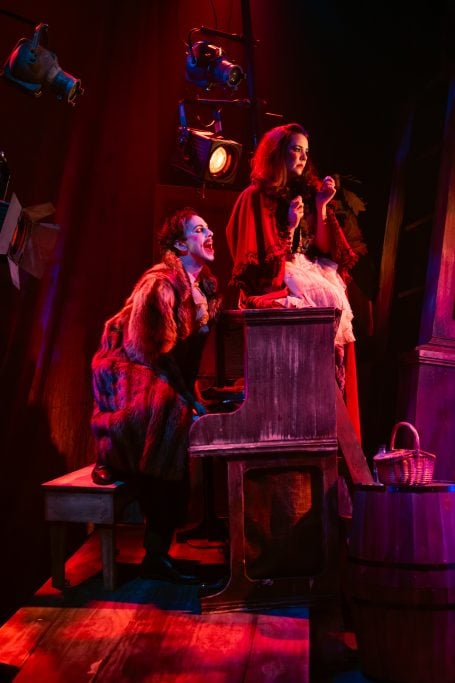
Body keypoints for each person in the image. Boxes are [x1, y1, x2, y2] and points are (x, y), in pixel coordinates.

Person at [89, 207, 222, 583]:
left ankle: (161, 545)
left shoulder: (205, 289)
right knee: (166, 415)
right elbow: (145, 350)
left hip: (162, 373)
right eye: (199, 230)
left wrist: (193, 397)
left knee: (180, 414)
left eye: (208, 228)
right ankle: (155, 550)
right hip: (127, 374)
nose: (210, 234)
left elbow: (183, 359)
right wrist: (183, 399)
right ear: (180, 245)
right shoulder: (160, 284)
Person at [226, 122, 360, 433]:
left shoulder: (308, 195)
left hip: (306, 269)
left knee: (334, 298)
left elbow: (325, 250)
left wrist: (321, 206)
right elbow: (259, 266)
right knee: (318, 302)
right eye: (296, 150)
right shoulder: (256, 197)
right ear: (278, 153)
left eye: (306, 152)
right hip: (277, 275)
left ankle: (327, 406)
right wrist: (288, 226)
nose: (302, 157)